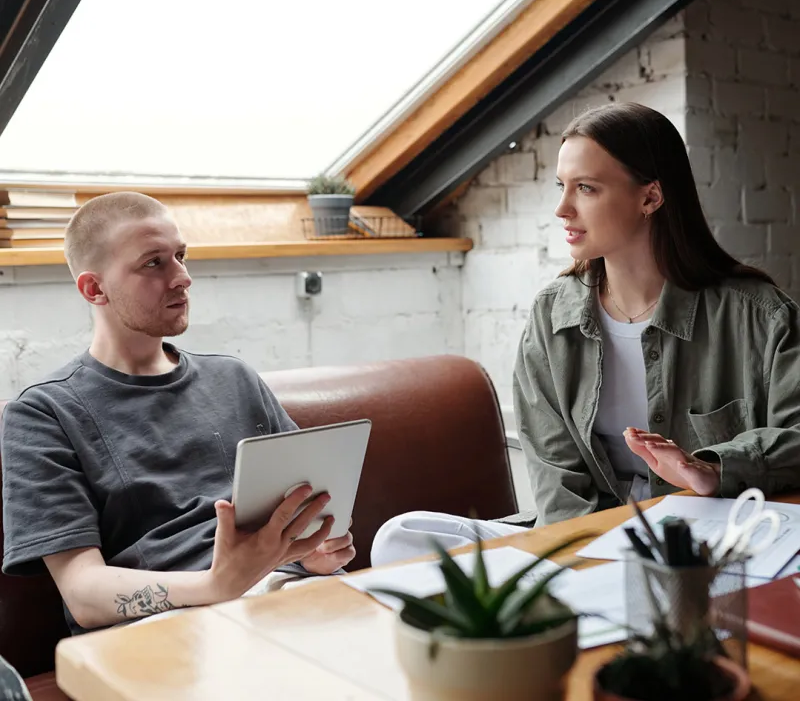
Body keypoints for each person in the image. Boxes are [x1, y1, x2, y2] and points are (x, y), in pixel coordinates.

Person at [371, 101, 800, 566]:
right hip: (587, 540)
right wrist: (590, 561)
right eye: (562, 186)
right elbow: (559, 492)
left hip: (711, 542)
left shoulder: (759, 316)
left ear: (650, 197)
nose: (562, 208)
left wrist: (711, 468)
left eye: (586, 188)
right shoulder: (552, 316)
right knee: (401, 537)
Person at [1, 192, 355, 634]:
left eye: (181, 256)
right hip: (175, 624)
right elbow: (82, 592)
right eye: (154, 263)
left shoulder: (235, 377)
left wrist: (312, 551)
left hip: (289, 595)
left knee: (417, 542)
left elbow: (302, 512)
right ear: (95, 289)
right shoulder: (42, 414)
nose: (183, 277)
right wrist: (217, 585)